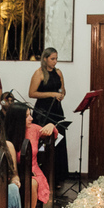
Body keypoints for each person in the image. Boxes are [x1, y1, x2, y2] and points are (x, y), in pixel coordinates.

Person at [5, 102, 56, 208]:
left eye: (30, 114)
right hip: (11, 171)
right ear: (18, 119)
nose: (31, 118)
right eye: (27, 116)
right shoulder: (6, 133)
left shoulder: (34, 129)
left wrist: (51, 125)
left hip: (32, 170)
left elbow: (53, 134)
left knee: (32, 184)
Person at [29, 47, 68, 186]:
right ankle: (43, 176)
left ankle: (58, 177)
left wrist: (61, 94)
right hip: (43, 111)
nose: (55, 61)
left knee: (59, 142)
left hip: (56, 110)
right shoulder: (39, 73)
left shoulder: (58, 72)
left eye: (56, 58)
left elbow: (62, 90)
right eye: (52, 59)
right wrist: (52, 94)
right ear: (45, 59)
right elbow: (32, 93)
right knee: (45, 144)